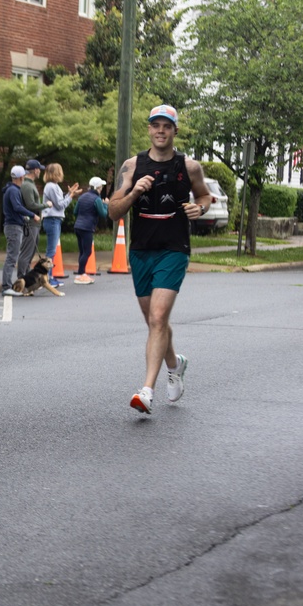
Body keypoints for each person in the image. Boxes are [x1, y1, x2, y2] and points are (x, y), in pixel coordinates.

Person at [107, 104, 212, 415]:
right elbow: (113, 211)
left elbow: (204, 196)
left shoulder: (189, 167)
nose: (161, 130)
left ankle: (146, 390)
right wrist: (134, 192)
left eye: (167, 125)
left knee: (157, 318)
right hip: (141, 251)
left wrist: (200, 208)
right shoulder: (132, 166)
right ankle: (175, 364)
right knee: (155, 321)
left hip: (174, 249)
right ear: (149, 130)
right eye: (156, 125)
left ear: (175, 130)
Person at [41, 163, 82, 287]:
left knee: (51, 250)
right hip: (53, 219)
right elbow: (60, 205)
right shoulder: (52, 187)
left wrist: (68, 194)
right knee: (51, 251)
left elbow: (58, 201)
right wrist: (71, 196)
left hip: (53, 219)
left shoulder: (52, 186)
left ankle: (50, 277)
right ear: (56, 173)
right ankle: (48, 278)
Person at [1, 166, 39, 296]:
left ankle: (7, 285)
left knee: (12, 256)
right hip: (13, 227)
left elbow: (14, 209)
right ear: (21, 177)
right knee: (12, 257)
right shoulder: (13, 191)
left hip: (13, 225)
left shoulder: (11, 190)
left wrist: (24, 217)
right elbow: (17, 207)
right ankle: (6, 287)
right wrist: (33, 215)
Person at [72, 176, 109, 285]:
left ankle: (81, 273)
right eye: (101, 186)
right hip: (87, 227)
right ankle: (80, 274)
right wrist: (105, 205)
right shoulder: (96, 199)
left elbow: (75, 212)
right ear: (98, 187)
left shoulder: (82, 197)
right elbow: (103, 214)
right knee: (87, 251)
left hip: (77, 226)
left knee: (82, 251)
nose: (102, 188)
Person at [17, 159, 49, 280]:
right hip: (30, 223)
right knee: (26, 253)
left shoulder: (29, 184)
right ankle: (22, 279)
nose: (40, 171)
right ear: (35, 170)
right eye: (39, 169)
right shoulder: (27, 185)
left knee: (30, 253)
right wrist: (46, 205)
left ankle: (27, 277)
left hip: (34, 223)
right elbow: (31, 205)